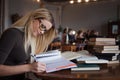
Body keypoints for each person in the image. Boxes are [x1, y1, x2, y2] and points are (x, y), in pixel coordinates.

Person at [0, 8, 56, 80]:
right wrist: (29, 67)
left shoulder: (30, 39)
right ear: (33, 18)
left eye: (45, 30)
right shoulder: (12, 34)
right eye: (42, 26)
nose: (42, 32)